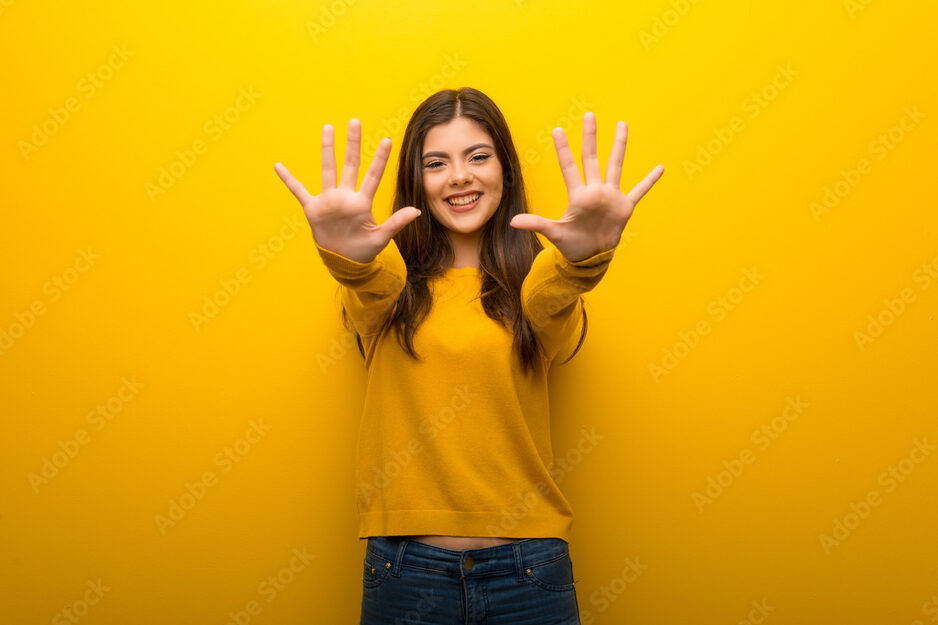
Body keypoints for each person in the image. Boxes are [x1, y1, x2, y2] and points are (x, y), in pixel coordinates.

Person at [274, 87, 663, 624]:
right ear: (418, 181)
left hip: (529, 572)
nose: (459, 176)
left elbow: (553, 290)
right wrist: (347, 254)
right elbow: (372, 280)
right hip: (405, 572)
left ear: (505, 168)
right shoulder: (389, 290)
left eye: (478, 156)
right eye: (437, 163)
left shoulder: (534, 288)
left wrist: (582, 257)